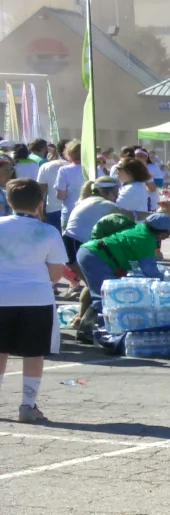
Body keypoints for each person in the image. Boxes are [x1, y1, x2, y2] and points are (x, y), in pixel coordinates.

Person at [0, 178, 69, 423]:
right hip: (36, 298)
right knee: (33, 354)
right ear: (40, 202)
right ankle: (28, 406)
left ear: (9, 201)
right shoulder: (48, 231)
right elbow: (56, 273)